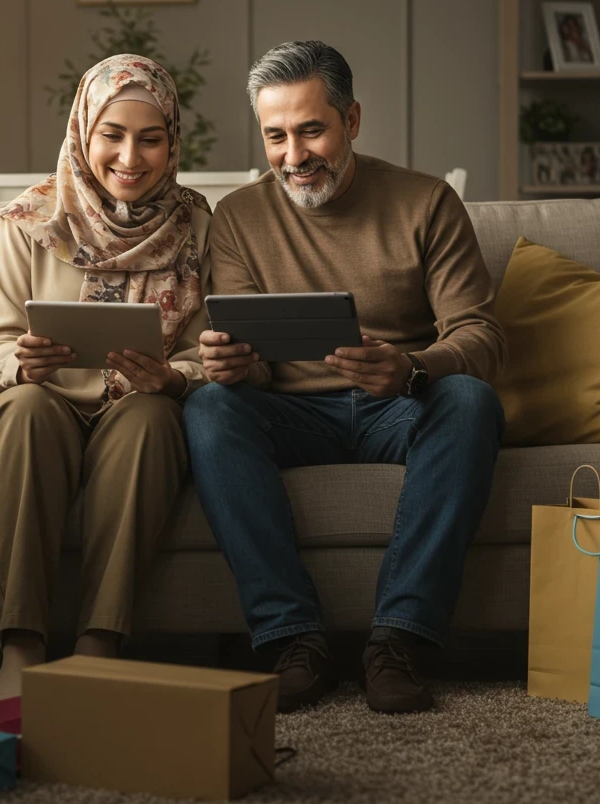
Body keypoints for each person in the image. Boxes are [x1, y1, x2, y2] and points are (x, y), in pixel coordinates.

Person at [182, 41, 507, 715]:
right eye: (276, 136)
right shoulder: (239, 216)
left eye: (311, 130)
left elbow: (479, 335)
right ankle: (294, 640)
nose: (294, 156)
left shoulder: (427, 202)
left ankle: (398, 642)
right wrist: (233, 362)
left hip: (401, 407)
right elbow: (242, 344)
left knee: (471, 402)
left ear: (351, 120)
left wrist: (413, 366)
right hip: (288, 413)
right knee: (211, 407)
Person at [0, 54, 212, 703]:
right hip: (40, 401)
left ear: (171, 142)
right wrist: (22, 362)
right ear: (83, 130)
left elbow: (207, 350)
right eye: (113, 134)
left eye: (150, 137)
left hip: (138, 406)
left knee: (151, 420)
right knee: (25, 411)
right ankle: (21, 647)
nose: (130, 156)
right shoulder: (27, 221)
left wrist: (172, 377)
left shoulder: (199, 225)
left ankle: (98, 648)